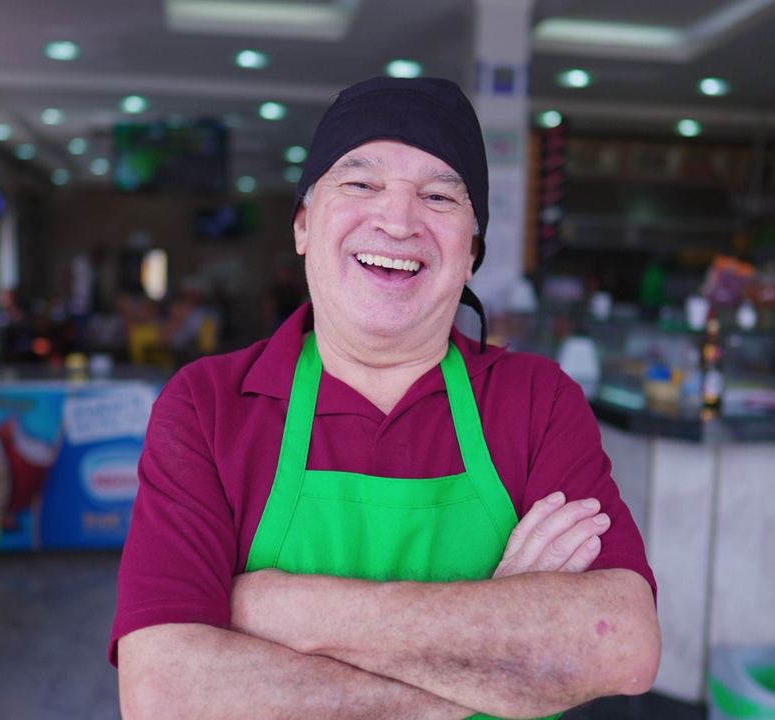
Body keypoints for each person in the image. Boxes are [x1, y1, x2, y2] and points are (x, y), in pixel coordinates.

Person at [112, 77, 660, 720]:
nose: (398, 220)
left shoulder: (537, 402)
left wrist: (287, 609)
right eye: (361, 183)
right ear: (302, 225)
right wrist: (495, 645)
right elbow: (167, 698)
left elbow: (621, 645)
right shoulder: (209, 406)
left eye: (437, 195)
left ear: (472, 253)